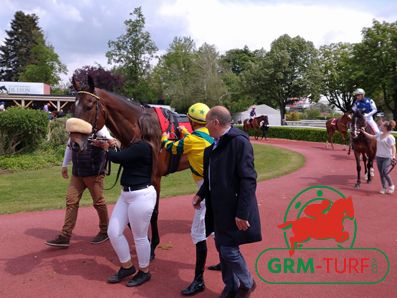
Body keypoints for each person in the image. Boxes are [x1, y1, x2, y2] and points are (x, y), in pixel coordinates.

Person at [192, 106, 262, 298]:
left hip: (234, 208)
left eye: (206, 122)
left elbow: (248, 179)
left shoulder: (239, 143)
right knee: (221, 247)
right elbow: (210, 179)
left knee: (229, 250)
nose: (205, 126)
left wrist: (242, 213)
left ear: (215, 122)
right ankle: (231, 285)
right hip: (217, 208)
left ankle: (247, 284)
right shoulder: (212, 147)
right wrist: (200, 194)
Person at [93, 111, 161, 287]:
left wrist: (106, 147)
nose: (133, 127)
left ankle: (144, 271)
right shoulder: (141, 145)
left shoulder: (143, 146)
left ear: (143, 128)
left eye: (136, 125)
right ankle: (127, 266)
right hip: (128, 194)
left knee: (139, 237)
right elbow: (124, 155)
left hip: (141, 196)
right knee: (113, 231)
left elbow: (118, 158)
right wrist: (111, 144)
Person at [161, 102, 215, 296]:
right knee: (216, 228)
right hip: (216, 187)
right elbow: (195, 142)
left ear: (191, 121)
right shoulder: (209, 136)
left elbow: (172, 148)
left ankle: (199, 281)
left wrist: (164, 138)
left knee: (198, 233)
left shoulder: (192, 139)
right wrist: (186, 134)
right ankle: (226, 262)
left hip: (205, 189)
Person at [45, 120, 112, 248]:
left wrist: (107, 142)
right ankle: (65, 236)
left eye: (73, 134)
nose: (70, 136)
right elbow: (69, 147)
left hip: (94, 174)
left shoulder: (99, 129)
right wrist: (64, 165)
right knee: (71, 201)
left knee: (98, 202)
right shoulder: (74, 131)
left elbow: (111, 142)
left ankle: (105, 231)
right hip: (78, 174)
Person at [361, 120, 396, 194]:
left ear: (386, 127)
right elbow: (372, 137)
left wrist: (393, 156)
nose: (380, 126)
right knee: (381, 173)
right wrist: (364, 132)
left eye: (382, 125)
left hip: (387, 157)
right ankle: (384, 187)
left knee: (385, 172)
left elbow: (393, 148)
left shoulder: (390, 137)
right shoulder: (379, 135)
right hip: (378, 157)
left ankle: (391, 185)